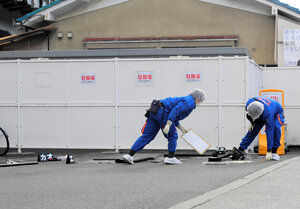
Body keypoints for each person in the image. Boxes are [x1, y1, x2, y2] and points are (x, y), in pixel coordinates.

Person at [122, 89, 207, 165]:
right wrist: (169, 124)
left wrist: (180, 126)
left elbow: (174, 113)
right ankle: (171, 158)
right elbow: (175, 111)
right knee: (172, 135)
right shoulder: (190, 102)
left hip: (155, 111)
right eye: (201, 100)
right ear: (198, 98)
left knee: (147, 136)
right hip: (163, 113)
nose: (200, 102)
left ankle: (129, 155)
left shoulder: (186, 99)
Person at [232, 96, 285, 161]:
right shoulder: (249, 104)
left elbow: (269, 131)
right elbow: (250, 115)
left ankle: (274, 152)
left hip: (276, 111)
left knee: (276, 128)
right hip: (261, 111)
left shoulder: (268, 113)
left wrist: (269, 150)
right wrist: (252, 123)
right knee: (253, 130)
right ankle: (241, 149)